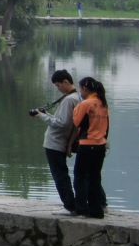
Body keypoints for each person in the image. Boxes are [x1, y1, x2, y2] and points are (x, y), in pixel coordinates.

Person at [31, 69, 81, 213]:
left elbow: (61, 123)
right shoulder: (77, 97)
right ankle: (71, 203)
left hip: (55, 143)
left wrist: (41, 116)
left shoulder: (69, 99)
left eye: (58, 85)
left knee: (60, 175)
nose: (58, 89)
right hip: (62, 142)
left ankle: (69, 206)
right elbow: (63, 121)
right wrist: (47, 114)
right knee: (62, 174)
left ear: (66, 82)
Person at [70, 76, 110, 218]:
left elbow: (76, 122)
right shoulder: (103, 103)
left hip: (87, 144)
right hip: (100, 145)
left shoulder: (86, 104)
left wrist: (76, 109)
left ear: (85, 88)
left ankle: (81, 208)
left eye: (81, 89)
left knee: (80, 176)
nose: (80, 92)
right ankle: (96, 210)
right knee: (94, 177)